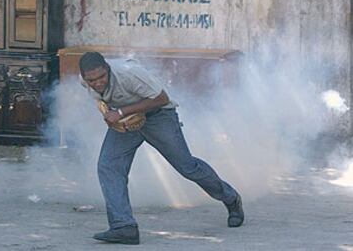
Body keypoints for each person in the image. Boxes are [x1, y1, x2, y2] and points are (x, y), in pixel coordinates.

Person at [79, 51, 244, 245]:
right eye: (92, 80)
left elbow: (162, 98)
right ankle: (123, 227)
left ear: (107, 68)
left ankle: (231, 199)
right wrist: (111, 115)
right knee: (108, 166)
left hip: (159, 117)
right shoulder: (85, 81)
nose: (97, 83)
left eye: (101, 77)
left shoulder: (129, 74)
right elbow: (102, 101)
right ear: (84, 77)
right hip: (127, 122)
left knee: (187, 167)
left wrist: (122, 111)